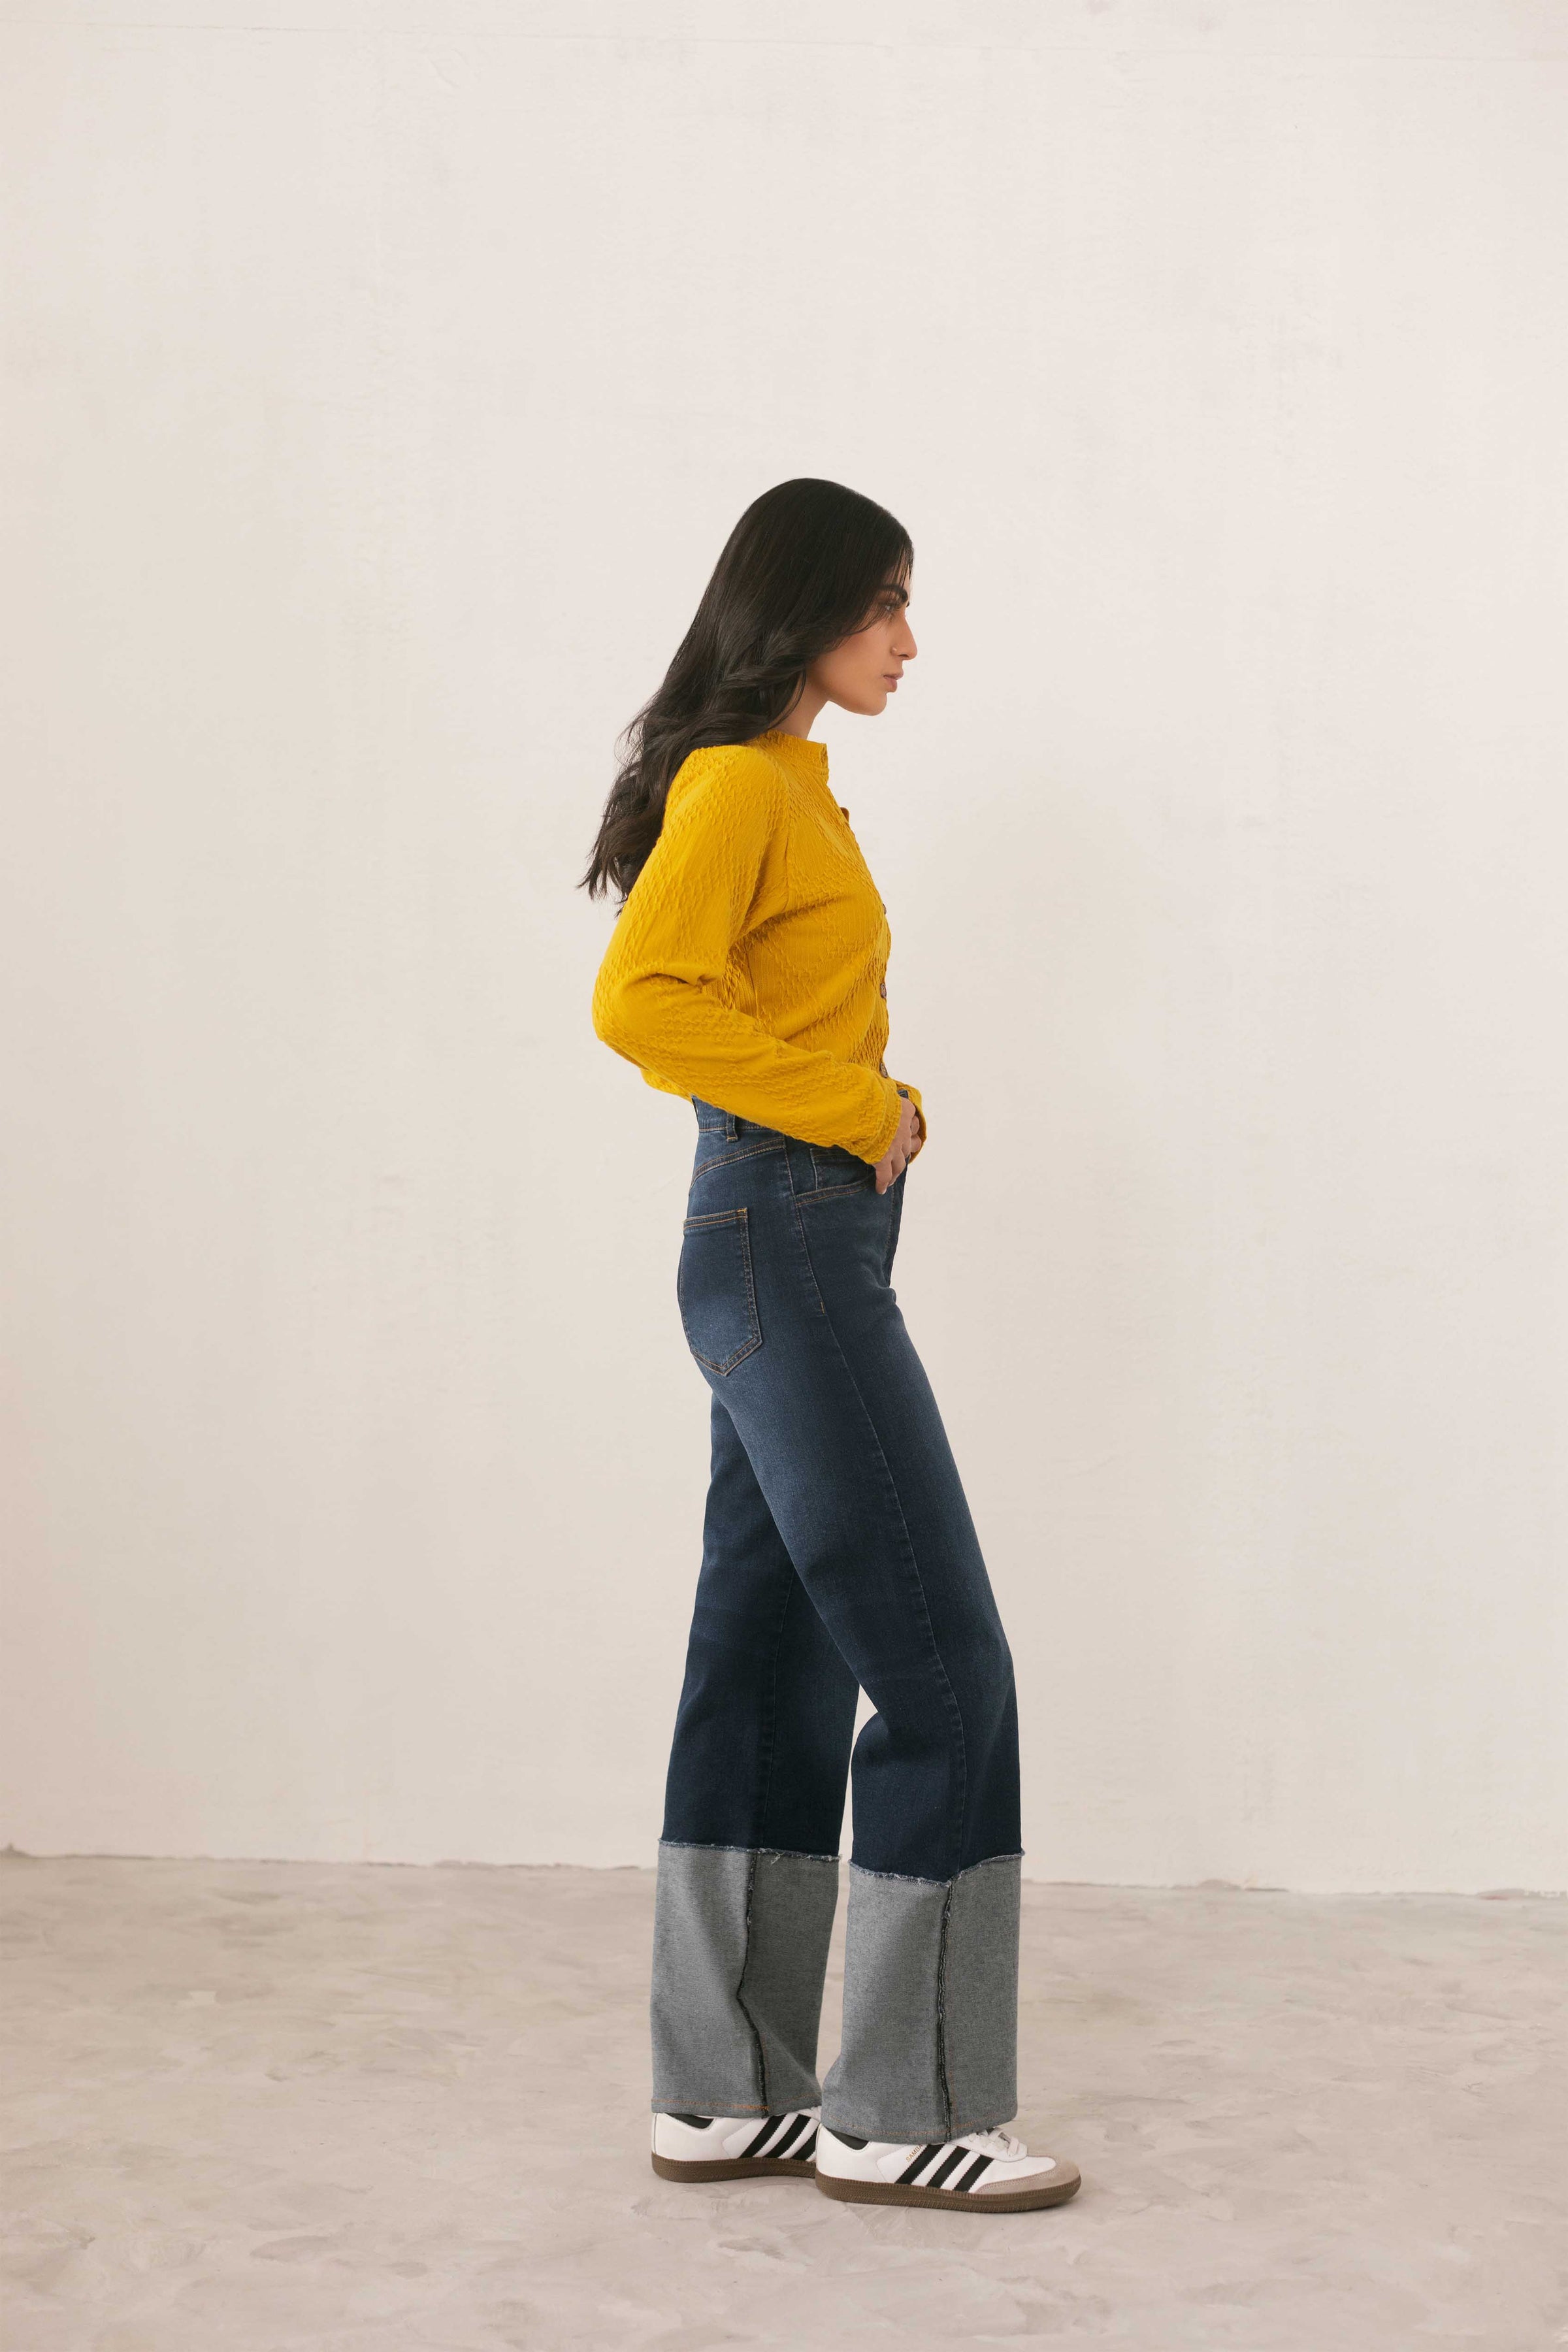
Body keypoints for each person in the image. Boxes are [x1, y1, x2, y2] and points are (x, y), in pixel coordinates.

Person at [581, 478, 1079, 2213]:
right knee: (944, 1663)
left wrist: (873, 1103)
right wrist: (864, 1110)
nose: (909, 641)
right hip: (788, 1244)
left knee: (771, 1656)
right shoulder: (738, 785)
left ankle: (724, 2094)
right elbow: (641, 997)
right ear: (801, 612)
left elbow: (760, 1006)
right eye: (884, 605)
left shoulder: (786, 786)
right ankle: (902, 2107)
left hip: (779, 1243)